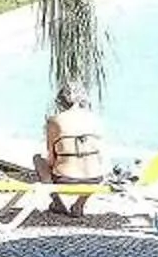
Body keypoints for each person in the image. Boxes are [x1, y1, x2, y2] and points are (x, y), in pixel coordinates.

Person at [32, 83, 109, 218]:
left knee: (38, 159)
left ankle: (58, 202)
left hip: (65, 179)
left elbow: (51, 158)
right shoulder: (95, 119)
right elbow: (101, 155)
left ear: (60, 100)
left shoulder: (54, 121)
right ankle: (79, 204)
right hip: (94, 179)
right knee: (94, 162)